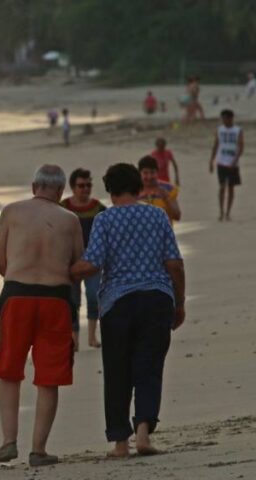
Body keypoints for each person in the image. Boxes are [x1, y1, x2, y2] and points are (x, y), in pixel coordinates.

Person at [71, 163, 185, 458]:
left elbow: (93, 264)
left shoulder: (104, 220)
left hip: (117, 304)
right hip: (156, 298)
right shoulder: (157, 215)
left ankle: (121, 443)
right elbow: (174, 263)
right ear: (137, 187)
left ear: (109, 190)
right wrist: (180, 301)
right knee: (149, 367)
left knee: (117, 371)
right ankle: (144, 433)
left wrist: (63, 272)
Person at [0, 165, 82, 467]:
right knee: (49, 376)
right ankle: (38, 450)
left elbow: (0, 261)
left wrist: (20, 277)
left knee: (9, 369)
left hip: (17, 295)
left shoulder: (11, 212)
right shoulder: (70, 219)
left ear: (34, 187)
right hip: (55, 299)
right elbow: (77, 264)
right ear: (60, 190)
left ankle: (8, 441)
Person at [60, 169, 106, 349]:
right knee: (73, 300)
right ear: (72, 187)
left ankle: (92, 337)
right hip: (70, 260)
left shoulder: (99, 208)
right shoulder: (63, 208)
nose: (85, 189)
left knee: (94, 296)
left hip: (93, 259)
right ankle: (74, 340)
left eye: (88, 185)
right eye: (81, 185)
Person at [210, 109, 244, 221]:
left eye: (226, 118)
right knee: (222, 187)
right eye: (222, 118)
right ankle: (221, 212)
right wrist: (211, 160)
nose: (224, 120)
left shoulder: (238, 130)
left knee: (231, 187)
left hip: (233, 163)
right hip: (221, 162)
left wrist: (234, 161)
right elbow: (216, 144)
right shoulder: (219, 130)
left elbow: (241, 147)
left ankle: (228, 212)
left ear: (231, 118)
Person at [138, 156, 181, 223]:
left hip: (164, 232)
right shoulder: (134, 191)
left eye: (152, 172)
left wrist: (166, 198)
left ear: (157, 172)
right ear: (139, 173)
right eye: (145, 173)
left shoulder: (169, 189)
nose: (149, 177)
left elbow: (177, 216)